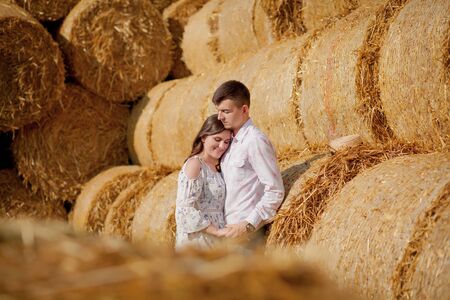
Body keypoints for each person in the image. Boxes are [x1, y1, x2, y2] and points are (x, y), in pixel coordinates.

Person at [212, 80, 284, 243]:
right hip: (228, 234)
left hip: (247, 236)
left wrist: (248, 225)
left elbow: (275, 190)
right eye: (218, 111)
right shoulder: (229, 143)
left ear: (244, 109)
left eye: (226, 111)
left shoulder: (254, 141)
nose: (219, 117)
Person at [175, 114, 232, 250]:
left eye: (227, 141)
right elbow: (184, 209)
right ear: (204, 137)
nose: (222, 146)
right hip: (199, 239)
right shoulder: (195, 164)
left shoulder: (219, 167)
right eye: (217, 139)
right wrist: (215, 231)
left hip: (217, 238)